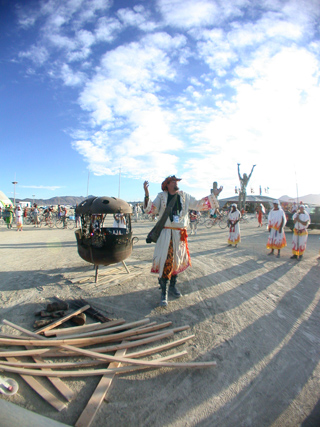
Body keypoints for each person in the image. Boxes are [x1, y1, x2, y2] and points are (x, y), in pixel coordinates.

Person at [143, 175, 223, 307]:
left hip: (180, 235)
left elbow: (198, 204)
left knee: (176, 261)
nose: (176, 183)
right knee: (166, 260)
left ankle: (173, 286)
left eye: (176, 181)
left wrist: (213, 196)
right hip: (166, 234)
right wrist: (146, 194)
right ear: (167, 185)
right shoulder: (161, 196)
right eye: (173, 181)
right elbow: (151, 209)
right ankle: (164, 292)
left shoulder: (184, 196)